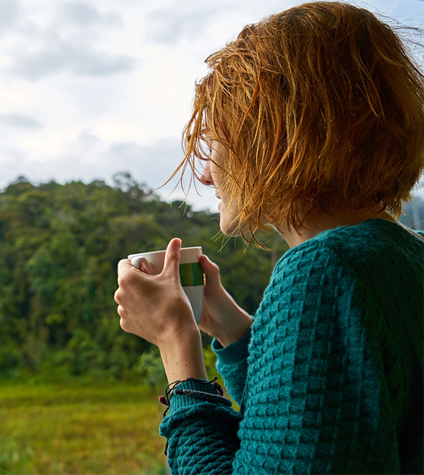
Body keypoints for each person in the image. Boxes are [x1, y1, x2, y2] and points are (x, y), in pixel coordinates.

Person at [114, 2, 424, 473]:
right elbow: (312, 423)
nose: (205, 177)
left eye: (214, 148)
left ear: (274, 138)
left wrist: (177, 343)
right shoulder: (403, 255)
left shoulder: (321, 271)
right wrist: (230, 327)